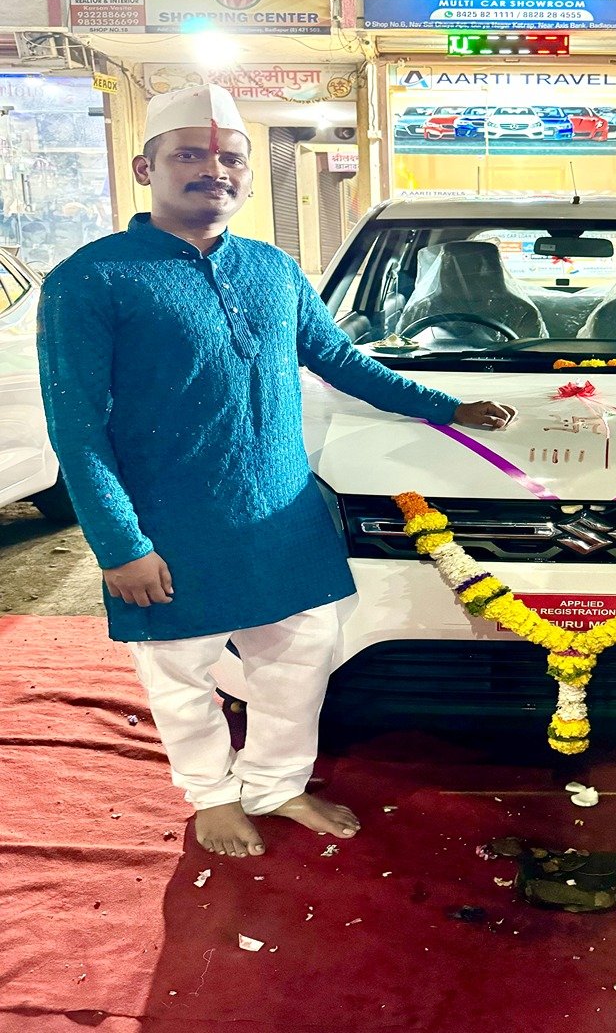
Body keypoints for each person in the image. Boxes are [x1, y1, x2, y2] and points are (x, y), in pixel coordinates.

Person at [37, 84, 517, 860]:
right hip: (170, 527)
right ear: (145, 167)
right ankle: (212, 795)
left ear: (249, 175)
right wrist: (120, 543)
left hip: (283, 522)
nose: (213, 170)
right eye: (189, 155)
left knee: (299, 661)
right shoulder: (92, 279)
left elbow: (339, 361)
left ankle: (276, 783)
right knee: (182, 674)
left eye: (230, 158)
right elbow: (77, 425)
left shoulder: (272, 268)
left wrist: (448, 407)